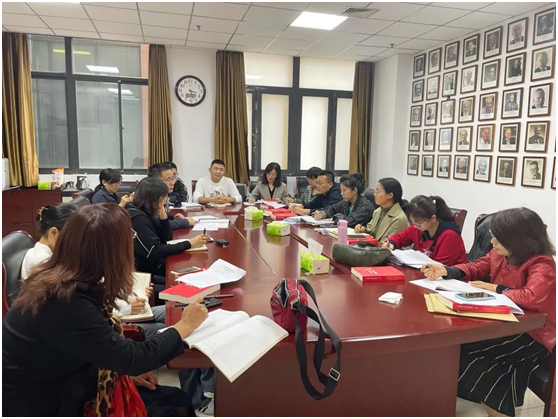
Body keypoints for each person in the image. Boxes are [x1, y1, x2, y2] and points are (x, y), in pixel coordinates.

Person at [2, 204, 209, 416]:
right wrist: (185, 325)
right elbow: (133, 358)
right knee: (173, 407)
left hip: (69, 377)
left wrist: (120, 372)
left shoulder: (66, 276)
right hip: (46, 402)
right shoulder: (65, 299)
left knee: (175, 399)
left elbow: (95, 346)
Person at [421, 208, 555, 417]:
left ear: (518, 240)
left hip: (534, 335)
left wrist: (497, 289)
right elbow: (477, 266)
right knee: (457, 346)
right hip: (505, 324)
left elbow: (532, 296)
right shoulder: (500, 253)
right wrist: (447, 270)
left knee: (472, 358)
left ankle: (499, 413)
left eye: (498, 239)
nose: (492, 242)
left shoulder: (541, 262)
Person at [127, 178, 208, 277]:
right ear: (156, 199)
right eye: (164, 198)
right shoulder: (138, 218)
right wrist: (190, 244)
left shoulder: (147, 211)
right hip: (145, 274)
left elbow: (167, 238)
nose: (165, 201)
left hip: (155, 266)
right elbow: (154, 251)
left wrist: (163, 217)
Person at [383, 195, 466, 266]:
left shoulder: (450, 235)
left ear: (433, 218)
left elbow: (441, 267)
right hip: (423, 273)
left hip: (447, 277)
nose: (415, 226)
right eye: (412, 222)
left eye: (419, 222)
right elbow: (400, 238)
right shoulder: (418, 227)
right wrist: (391, 244)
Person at [21, 203, 78, 280]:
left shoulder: (50, 253)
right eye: (71, 236)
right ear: (53, 232)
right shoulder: (42, 261)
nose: (74, 242)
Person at [354, 178, 409, 242]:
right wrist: (364, 230)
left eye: (378, 191)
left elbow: (387, 244)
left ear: (390, 195)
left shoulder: (398, 219)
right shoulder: (378, 211)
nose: (374, 194)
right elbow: (371, 229)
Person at [148, 163, 194, 230]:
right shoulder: (150, 197)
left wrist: (173, 218)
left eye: (172, 179)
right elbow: (159, 224)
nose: (172, 183)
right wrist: (186, 222)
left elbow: (163, 217)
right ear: (155, 181)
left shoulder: (162, 195)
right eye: (168, 179)